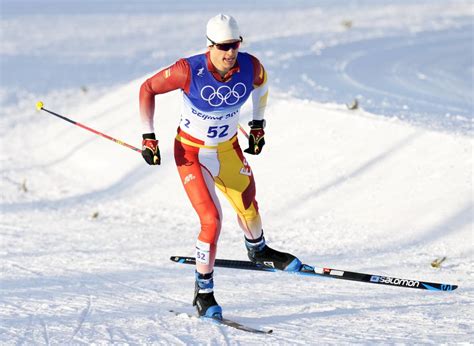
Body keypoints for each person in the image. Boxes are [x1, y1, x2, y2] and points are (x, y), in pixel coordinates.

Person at [139, 14, 301, 319]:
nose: (230, 53)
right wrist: (149, 136)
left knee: (249, 206)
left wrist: (258, 125)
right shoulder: (188, 70)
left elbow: (262, 84)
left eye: (235, 45)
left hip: (227, 150)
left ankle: (258, 249)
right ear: (210, 45)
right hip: (192, 154)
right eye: (224, 46)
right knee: (211, 220)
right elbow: (148, 88)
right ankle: (204, 292)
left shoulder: (250, 66)